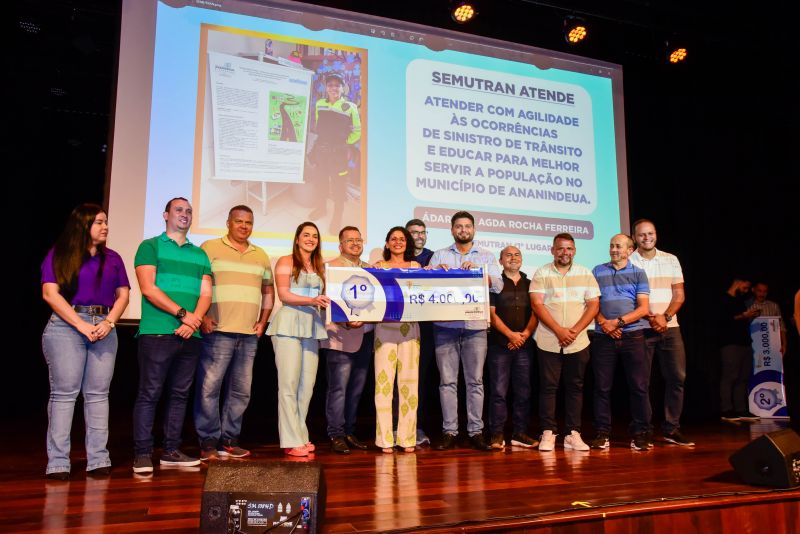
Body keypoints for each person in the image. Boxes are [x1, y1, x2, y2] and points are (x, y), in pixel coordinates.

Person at [40, 204, 130, 480]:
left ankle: (98, 458)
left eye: (106, 222)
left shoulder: (113, 258)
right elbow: (50, 294)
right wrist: (80, 324)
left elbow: (123, 295)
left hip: (104, 327)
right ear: (84, 225)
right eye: (99, 222)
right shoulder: (60, 254)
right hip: (67, 327)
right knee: (65, 394)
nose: (105, 227)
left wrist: (109, 322)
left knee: (98, 394)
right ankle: (58, 462)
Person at [133, 197, 213, 474]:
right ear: (166, 214)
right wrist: (183, 315)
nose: (185, 215)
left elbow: (206, 294)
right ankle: (143, 453)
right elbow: (148, 289)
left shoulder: (200, 254)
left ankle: (171, 450)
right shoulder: (150, 246)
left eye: (189, 211)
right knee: (150, 393)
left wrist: (194, 322)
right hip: (157, 332)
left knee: (180, 395)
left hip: (191, 335)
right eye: (179, 210)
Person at [195, 205, 274, 460]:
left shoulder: (260, 254)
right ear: (228, 222)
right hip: (218, 331)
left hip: (249, 334)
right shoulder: (209, 248)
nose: (243, 226)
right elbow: (197, 284)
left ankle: (229, 439)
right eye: (238, 221)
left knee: (241, 391)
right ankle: (208, 442)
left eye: (248, 222)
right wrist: (202, 316)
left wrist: (264, 321)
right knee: (210, 388)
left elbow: (268, 292)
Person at [429, 211, 503, 452]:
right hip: (445, 327)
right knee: (447, 382)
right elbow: (425, 285)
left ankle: (476, 431)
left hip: (475, 328)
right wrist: (433, 274)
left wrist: (480, 272)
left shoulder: (486, 256)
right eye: (458, 226)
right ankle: (450, 431)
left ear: (474, 230)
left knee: (475, 382)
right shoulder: (439, 255)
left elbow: (499, 285)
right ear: (452, 230)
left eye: (467, 226)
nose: (463, 230)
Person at [530, 233, 600, 452]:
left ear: (575, 251)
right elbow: (537, 305)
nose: (565, 252)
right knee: (548, 388)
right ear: (553, 250)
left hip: (578, 342)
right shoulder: (542, 272)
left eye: (569, 248)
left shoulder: (585, 273)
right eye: (560, 248)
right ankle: (548, 432)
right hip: (548, 340)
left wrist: (575, 331)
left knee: (575, 387)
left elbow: (593, 305)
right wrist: (559, 330)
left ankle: (572, 433)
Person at [266, 222, 330, 457]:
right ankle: (290, 441)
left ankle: (300, 435)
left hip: (312, 327)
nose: (310, 239)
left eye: (314, 236)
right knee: (289, 385)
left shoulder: (320, 266)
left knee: (307, 386)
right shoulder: (285, 261)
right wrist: (313, 301)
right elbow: (283, 295)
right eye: (306, 235)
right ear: (297, 238)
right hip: (288, 326)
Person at [630, 219, 693, 447]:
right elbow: (628, 299)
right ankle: (643, 429)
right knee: (641, 382)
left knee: (677, 377)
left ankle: (671, 428)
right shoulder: (629, 261)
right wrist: (650, 317)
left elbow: (679, 295)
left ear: (656, 234)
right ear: (635, 237)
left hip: (670, 327)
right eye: (642, 235)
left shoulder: (670, 259)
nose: (647, 238)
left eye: (651, 233)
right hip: (640, 328)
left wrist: (664, 317)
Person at [590, 234, 652, 451]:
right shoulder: (598, 270)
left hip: (633, 336)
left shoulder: (638, 273)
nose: (614, 249)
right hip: (602, 336)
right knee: (601, 388)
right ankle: (602, 433)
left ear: (629, 250)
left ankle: (641, 434)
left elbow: (643, 308)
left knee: (638, 387)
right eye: (611, 245)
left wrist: (617, 322)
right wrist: (603, 323)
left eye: (619, 246)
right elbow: (590, 303)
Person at [321, 226, 373, 454]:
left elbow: (377, 301)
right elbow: (327, 300)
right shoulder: (330, 268)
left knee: (356, 389)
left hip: (366, 336)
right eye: (349, 240)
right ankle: (336, 434)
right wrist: (345, 321)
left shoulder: (371, 269)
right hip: (339, 336)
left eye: (358, 239)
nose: (355, 243)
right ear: (340, 245)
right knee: (338, 389)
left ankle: (350, 432)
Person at [373, 227, 421, 453]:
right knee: (383, 387)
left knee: (409, 385)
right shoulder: (377, 268)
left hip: (410, 330)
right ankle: (384, 440)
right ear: (387, 243)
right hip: (384, 330)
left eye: (402, 239)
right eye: (393, 239)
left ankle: (407, 438)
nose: (398, 242)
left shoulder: (416, 267)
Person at [487, 246, 539, 450]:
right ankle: (497, 434)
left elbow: (537, 311)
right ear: (500, 261)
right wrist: (510, 335)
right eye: (508, 255)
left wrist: (524, 335)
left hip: (525, 345)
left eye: (517, 254)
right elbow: (491, 314)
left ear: (522, 259)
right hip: (500, 345)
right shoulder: (495, 284)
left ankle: (519, 433)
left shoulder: (531, 284)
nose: (513, 258)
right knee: (499, 392)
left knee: (523, 392)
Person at [309, 72, 361, 232]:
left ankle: (337, 218)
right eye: (330, 85)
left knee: (339, 188)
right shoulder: (320, 104)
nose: (333, 88)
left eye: (337, 85)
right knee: (321, 183)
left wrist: (344, 144)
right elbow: (319, 125)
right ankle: (321, 209)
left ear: (342, 88)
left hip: (338, 155)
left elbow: (357, 131)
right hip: (322, 152)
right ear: (326, 87)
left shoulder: (350, 107)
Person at [405, 218, 434, 445]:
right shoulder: (397, 257)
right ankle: (395, 426)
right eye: (414, 232)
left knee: (420, 380)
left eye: (423, 232)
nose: (419, 236)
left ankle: (418, 427)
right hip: (397, 327)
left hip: (426, 329)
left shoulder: (434, 257)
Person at [719, 278, 759, 421]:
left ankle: (741, 409)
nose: (746, 291)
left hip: (745, 343)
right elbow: (723, 320)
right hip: (730, 343)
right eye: (745, 287)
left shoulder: (740, 300)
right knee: (730, 376)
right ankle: (726, 410)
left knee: (743, 377)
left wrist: (748, 316)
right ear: (737, 282)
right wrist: (743, 315)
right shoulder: (723, 299)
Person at [746, 281, 787, 354]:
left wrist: (784, 344)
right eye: (759, 291)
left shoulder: (774, 306)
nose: (762, 294)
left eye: (765, 291)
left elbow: (781, 326)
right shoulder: (747, 305)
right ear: (753, 290)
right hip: (752, 345)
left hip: (772, 345)